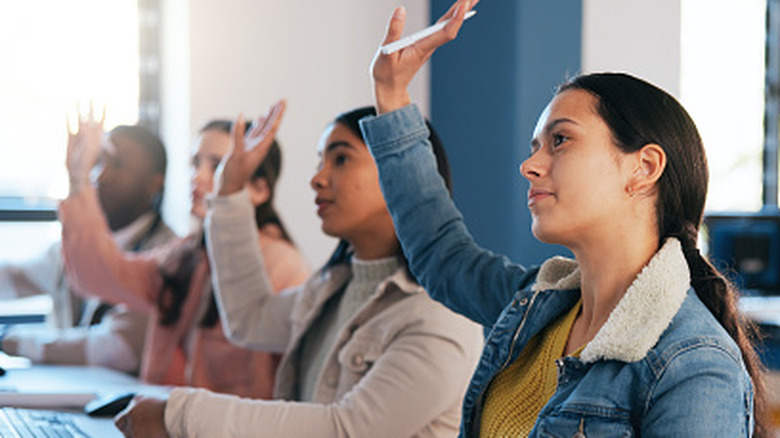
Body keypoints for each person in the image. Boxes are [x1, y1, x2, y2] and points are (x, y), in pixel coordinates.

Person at [357, 1, 768, 436]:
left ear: (643, 167)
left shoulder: (695, 365)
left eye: (560, 140)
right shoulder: (537, 307)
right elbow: (442, 255)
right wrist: (392, 95)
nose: (529, 165)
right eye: (536, 145)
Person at [113, 103, 483, 438]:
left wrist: (181, 413)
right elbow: (249, 318)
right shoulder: (332, 286)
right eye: (320, 161)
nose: (317, 179)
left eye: (340, 159)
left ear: (404, 174)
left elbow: (346, 429)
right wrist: (229, 190)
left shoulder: (442, 312)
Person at [59, 113, 310, 399]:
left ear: (259, 189)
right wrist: (79, 178)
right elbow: (101, 274)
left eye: (218, 166)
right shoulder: (186, 255)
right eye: (195, 163)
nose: (198, 177)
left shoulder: (284, 267)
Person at [0, 124, 175, 374]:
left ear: (153, 184)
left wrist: (11, 340)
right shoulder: (76, 246)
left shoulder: (168, 255)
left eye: (119, 165)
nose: (101, 176)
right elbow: (14, 279)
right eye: (98, 162)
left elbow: (117, 348)